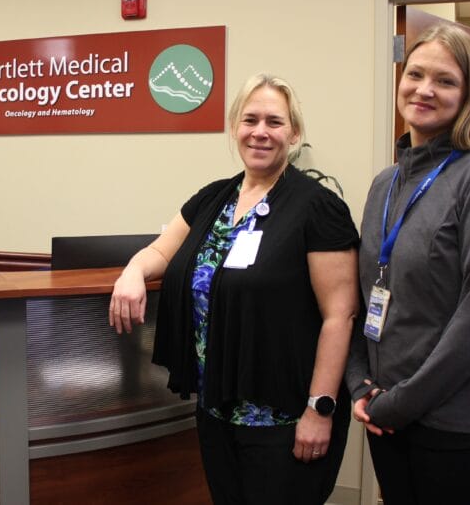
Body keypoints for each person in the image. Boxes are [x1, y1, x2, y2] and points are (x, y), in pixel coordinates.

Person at [110, 74, 359, 504]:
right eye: (250, 120)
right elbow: (161, 251)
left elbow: (340, 316)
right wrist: (133, 270)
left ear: (294, 134)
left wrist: (320, 410)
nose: (260, 132)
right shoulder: (213, 199)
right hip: (216, 411)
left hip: (284, 419)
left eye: (274, 122)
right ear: (234, 128)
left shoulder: (318, 208)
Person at [345, 24, 470, 505]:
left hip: (461, 420)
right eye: (415, 74)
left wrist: (400, 403)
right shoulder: (385, 183)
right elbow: (366, 293)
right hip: (386, 408)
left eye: (445, 81)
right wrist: (359, 384)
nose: (424, 89)